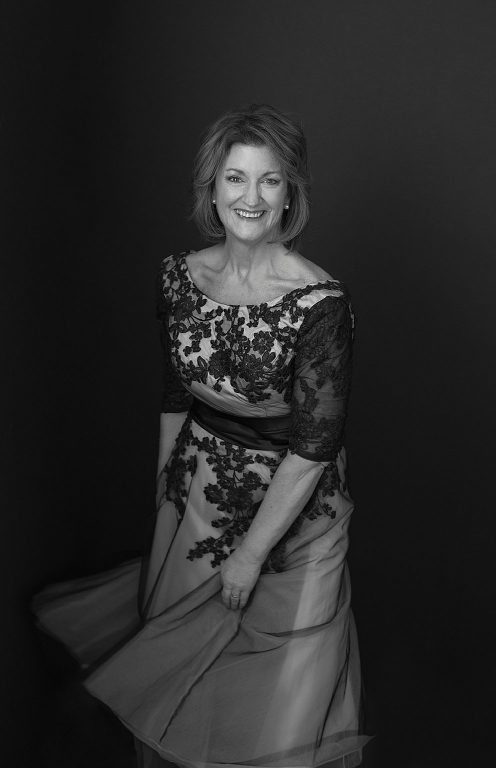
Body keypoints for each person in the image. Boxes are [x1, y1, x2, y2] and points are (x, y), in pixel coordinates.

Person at [34, 104, 368, 767]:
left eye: (270, 181)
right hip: (198, 495)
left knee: (277, 703)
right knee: (183, 679)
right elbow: (174, 390)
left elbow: (314, 446)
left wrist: (248, 556)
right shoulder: (178, 277)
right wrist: (167, 488)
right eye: (235, 178)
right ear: (211, 187)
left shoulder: (320, 302)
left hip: (296, 514)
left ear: (291, 192)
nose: (251, 197)